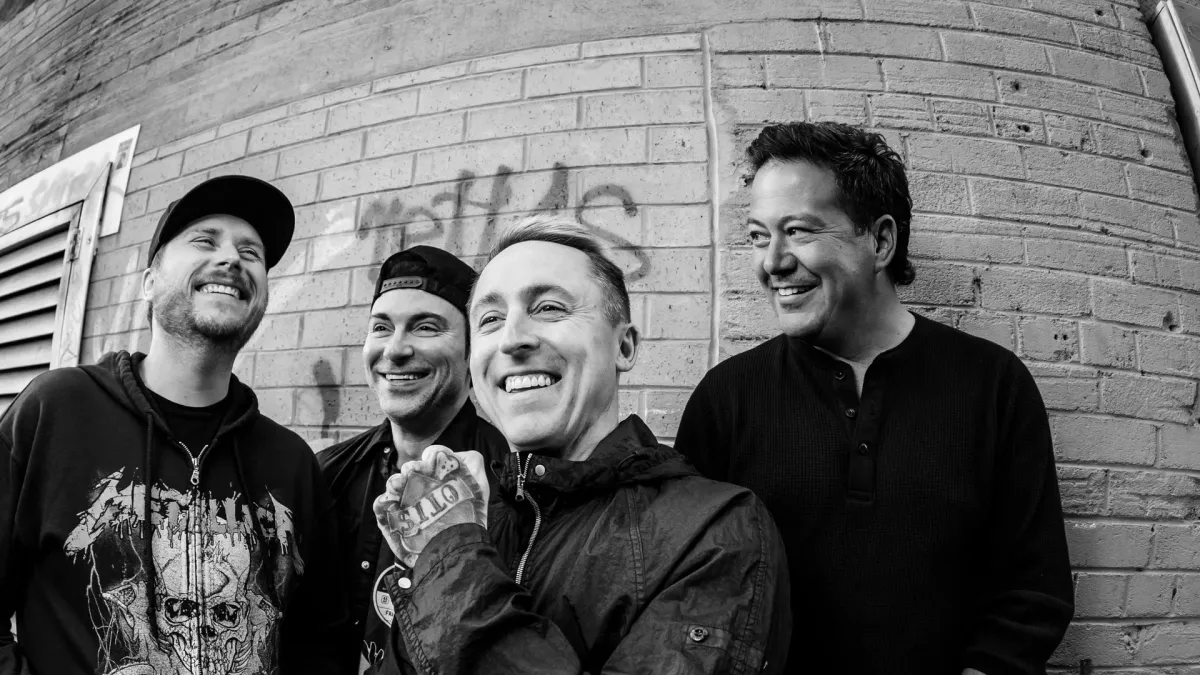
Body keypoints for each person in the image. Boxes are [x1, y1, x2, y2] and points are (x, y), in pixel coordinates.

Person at [675, 122, 1074, 674]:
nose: (772, 262)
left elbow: (1033, 591)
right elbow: (687, 590)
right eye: (759, 236)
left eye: (798, 231)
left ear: (881, 241)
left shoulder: (993, 385)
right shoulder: (726, 398)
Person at [368, 215, 791, 674]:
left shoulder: (715, 531)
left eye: (549, 308)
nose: (512, 339)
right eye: (490, 320)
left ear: (624, 347)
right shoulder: (468, 520)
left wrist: (452, 564)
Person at [0, 175, 350, 674]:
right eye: (205, 241)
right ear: (149, 282)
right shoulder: (56, 412)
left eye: (251, 253)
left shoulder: (290, 462)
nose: (231, 259)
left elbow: (321, 640)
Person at [317, 246, 508, 673]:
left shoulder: (512, 485)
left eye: (425, 327)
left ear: (471, 350)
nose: (396, 349)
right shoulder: (327, 474)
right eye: (381, 327)